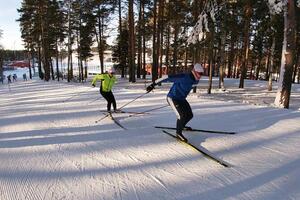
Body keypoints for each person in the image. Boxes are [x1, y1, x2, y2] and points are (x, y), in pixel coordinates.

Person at [146, 63, 204, 142]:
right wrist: (153, 84)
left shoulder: (196, 81)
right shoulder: (183, 77)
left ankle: (182, 126)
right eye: (199, 73)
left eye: (202, 74)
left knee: (190, 115)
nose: (200, 75)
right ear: (194, 71)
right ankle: (178, 133)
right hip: (172, 98)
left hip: (181, 99)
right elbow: (166, 77)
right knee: (182, 116)